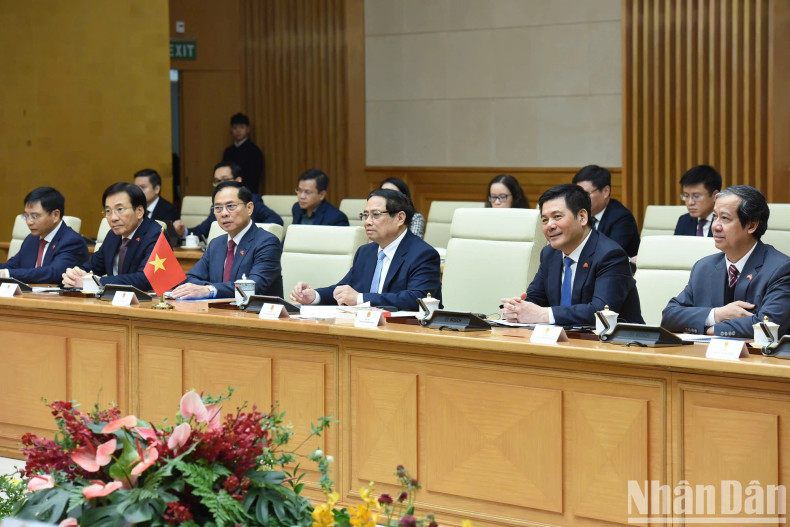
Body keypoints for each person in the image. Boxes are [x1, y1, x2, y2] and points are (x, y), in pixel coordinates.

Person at [500, 184, 644, 326]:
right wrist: (516, 309)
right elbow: (535, 299)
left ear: (582, 217)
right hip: (564, 341)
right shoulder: (550, 253)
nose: (550, 225)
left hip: (619, 345)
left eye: (557, 217)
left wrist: (543, 314)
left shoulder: (610, 255)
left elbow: (601, 312)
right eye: (544, 220)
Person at [662, 185, 790, 337]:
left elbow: (769, 326)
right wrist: (717, 314)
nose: (715, 226)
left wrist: (711, 330)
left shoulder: (781, 269)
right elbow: (669, 316)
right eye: (715, 216)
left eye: (725, 218)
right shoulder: (704, 267)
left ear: (751, 225)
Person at [290, 189, 441, 311]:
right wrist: (315, 296)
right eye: (365, 215)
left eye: (375, 215)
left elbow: (417, 299)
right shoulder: (366, 252)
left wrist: (360, 299)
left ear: (400, 218)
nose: (368, 222)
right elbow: (344, 289)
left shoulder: (423, 254)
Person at [171, 181, 283, 299]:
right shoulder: (216, 244)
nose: (224, 213)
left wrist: (210, 290)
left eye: (231, 206)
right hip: (218, 313)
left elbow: (254, 287)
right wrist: (207, 289)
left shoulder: (267, 242)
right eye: (218, 208)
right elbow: (190, 279)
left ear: (249, 208)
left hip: (256, 314)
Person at [62, 183, 160, 290]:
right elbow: (92, 267)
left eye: (120, 209)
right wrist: (74, 276)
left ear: (139, 211)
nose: (113, 218)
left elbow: (146, 278)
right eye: (108, 211)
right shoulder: (113, 235)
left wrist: (96, 282)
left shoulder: (155, 234)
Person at [0, 187, 88, 284]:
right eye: (26, 216)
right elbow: (12, 265)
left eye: (35, 216)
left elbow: (53, 273)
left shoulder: (72, 241)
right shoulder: (31, 239)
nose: (29, 222)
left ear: (55, 215)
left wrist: (6, 274)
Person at [175, 162, 283, 240]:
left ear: (238, 181)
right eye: (217, 181)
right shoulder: (219, 206)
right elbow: (203, 230)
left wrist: (249, 233)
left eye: (225, 180)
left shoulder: (251, 200)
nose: (220, 184)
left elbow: (275, 220)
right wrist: (184, 231)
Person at [572, 165, 640, 258]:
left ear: (605, 192)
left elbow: (609, 253)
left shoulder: (622, 218)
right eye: (578, 194)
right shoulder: (578, 214)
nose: (581, 199)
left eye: (586, 194)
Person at [222, 112, 265, 193]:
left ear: (248, 129)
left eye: (241, 127)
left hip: (248, 193)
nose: (238, 131)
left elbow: (254, 177)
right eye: (235, 128)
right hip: (229, 191)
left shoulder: (254, 151)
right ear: (231, 130)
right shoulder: (228, 151)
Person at [674, 165, 722, 237]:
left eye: (696, 196)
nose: (690, 202)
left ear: (715, 195)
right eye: (686, 196)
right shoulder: (684, 221)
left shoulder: (725, 223)